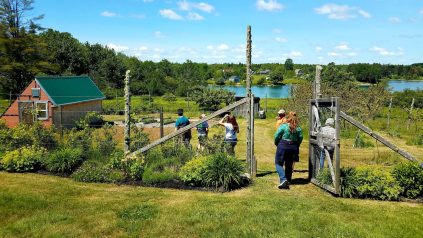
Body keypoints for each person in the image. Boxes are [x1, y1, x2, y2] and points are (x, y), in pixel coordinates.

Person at [274, 111, 303, 189]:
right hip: (294, 147)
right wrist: (296, 145)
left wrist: (277, 143)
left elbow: (277, 136)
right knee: (289, 164)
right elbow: (300, 138)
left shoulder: (283, 126)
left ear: (287, 118)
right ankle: (288, 179)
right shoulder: (298, 128)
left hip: (283, 145)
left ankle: (283, 179)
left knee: (278, 163)